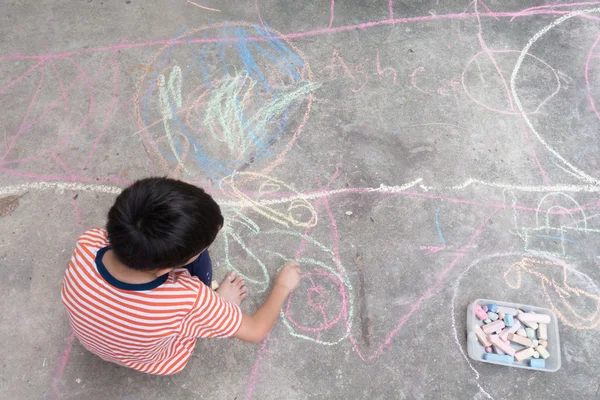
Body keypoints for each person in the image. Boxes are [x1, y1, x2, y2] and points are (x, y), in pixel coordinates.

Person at [61, 177, 301, 375]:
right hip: (157, 360)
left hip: (96, 341)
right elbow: (256, 331)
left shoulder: (88, 242)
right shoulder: (187, 298)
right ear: (166, 270)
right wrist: (282, 286)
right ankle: (219, 301)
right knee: (201, 286)